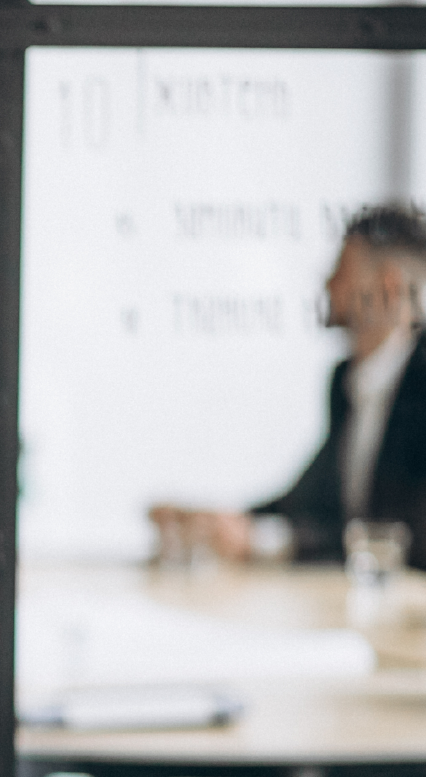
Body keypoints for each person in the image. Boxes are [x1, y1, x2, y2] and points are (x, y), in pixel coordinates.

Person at [153, 204, 426, 569]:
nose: (327, 285)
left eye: (341, 272)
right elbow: (310, 502)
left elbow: (403, 536)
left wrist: (266, 541)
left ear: (389, 289)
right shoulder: (346, 383)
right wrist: (225, 523)